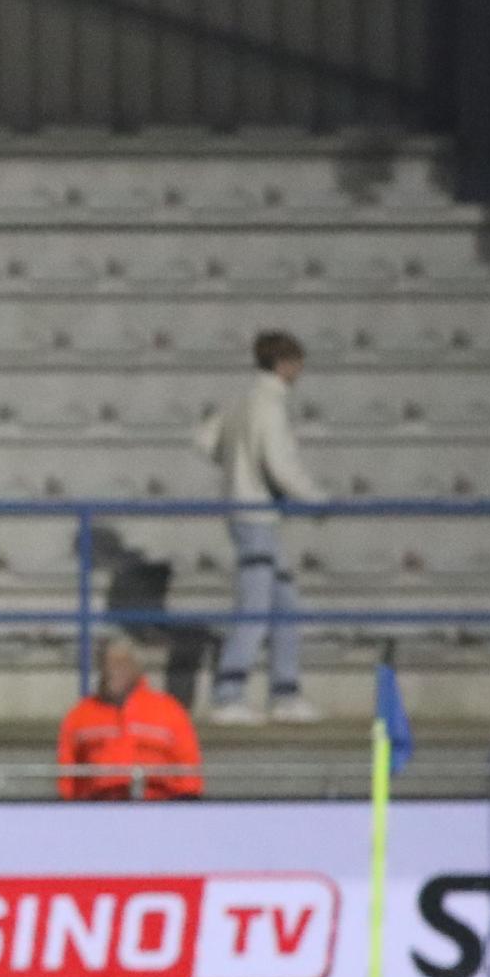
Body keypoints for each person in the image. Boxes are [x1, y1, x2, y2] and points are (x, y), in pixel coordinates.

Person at [201, 331, 318, 725]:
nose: (300, 370)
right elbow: (280, 465)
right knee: (255, 608)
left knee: (284, 606)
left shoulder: (243, 400)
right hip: (257, 517)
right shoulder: (269, 405)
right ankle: (229, 694)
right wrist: (316, 498)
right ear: (284, 363)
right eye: (297, 362)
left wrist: (237, 467)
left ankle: (285, 692)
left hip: (246, 512)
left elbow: (204, 439)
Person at [56, 638, 203, 800]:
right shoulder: (80, 714)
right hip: (98, 810)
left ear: (137, 668)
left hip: (158, 808)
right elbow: (67, 777)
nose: (112, 671)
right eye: (107, 664)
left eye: (121, 664)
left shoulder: (169, 711)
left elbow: (189, 773)